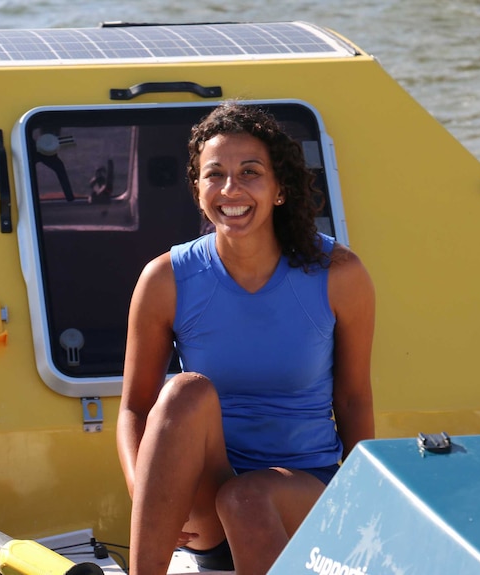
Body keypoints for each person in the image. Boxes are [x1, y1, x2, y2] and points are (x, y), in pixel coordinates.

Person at [116, 101, 375, 575]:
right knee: (183, 391)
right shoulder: (165, 279)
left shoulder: (339, 274)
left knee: (247, 498)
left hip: (303, 490)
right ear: (197, 190)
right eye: (215, 174)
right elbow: (135, 407)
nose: (231, 189)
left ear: (279, 189)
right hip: (204, 498)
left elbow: (355, 399)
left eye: (250, 172)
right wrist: (144, 498)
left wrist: (362, 509)